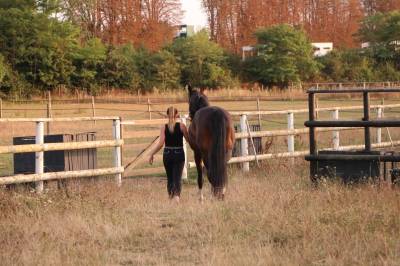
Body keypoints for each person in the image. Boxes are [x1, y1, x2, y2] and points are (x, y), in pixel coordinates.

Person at [149, 106, 189, 202]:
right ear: (177, 114)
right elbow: (189, 140)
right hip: (179, 154)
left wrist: (152, 153)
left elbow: (161, 143)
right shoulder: (182, 126)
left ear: (167, 115)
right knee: (177, 177)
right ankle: (176, 197)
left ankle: (171, 197)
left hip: (167, 154)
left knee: (170, 177)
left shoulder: (164, 127)